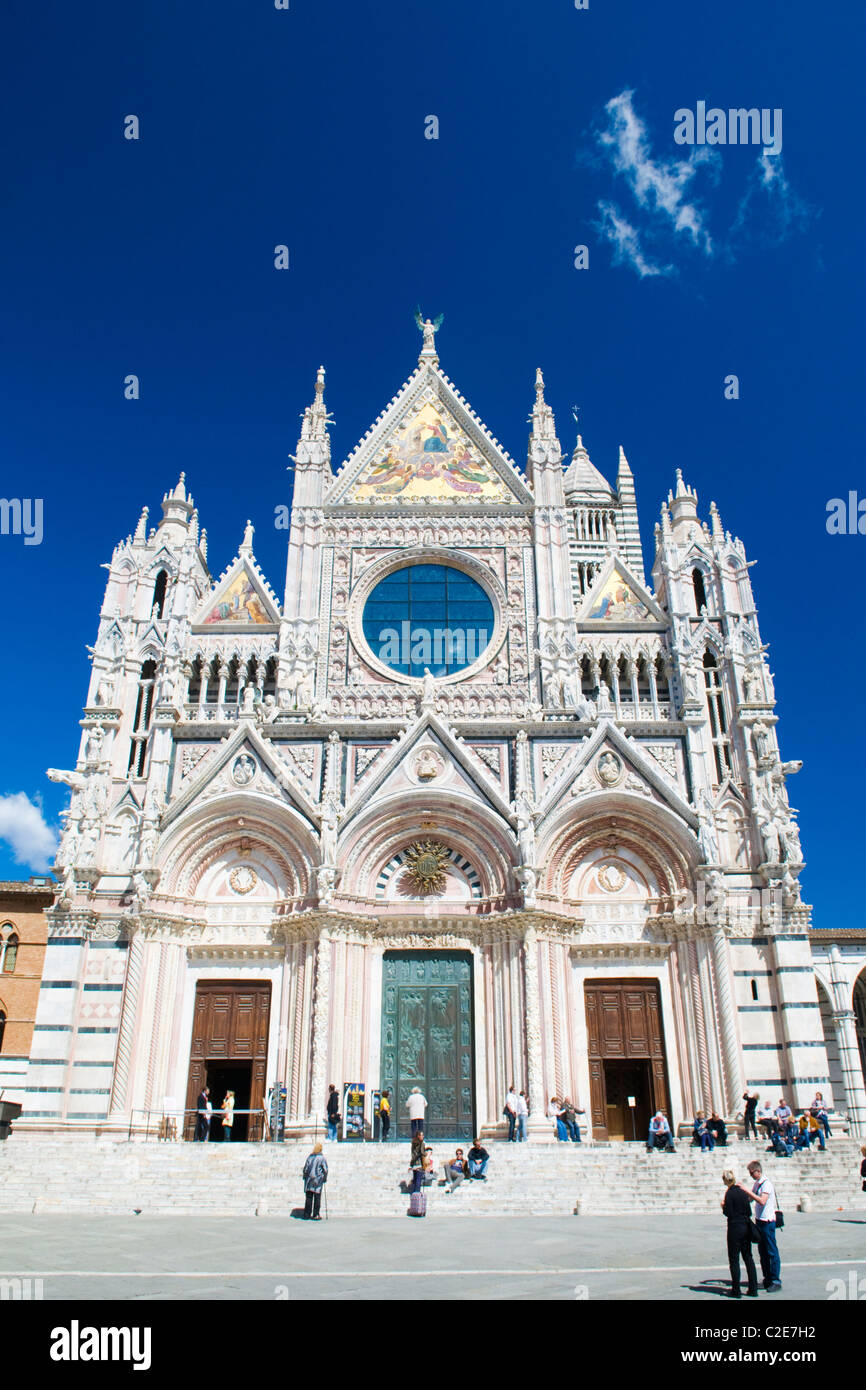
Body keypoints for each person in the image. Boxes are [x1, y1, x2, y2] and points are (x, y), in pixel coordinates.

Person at [740, 1161, 781, 1291]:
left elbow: (762, 1201)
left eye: (752, 1173)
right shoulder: (757, 1184)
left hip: (768, 1222)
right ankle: (767, 1278)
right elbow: (750, 1199)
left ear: (758, 1171)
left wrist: (746, 1190)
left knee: (771, 1251)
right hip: (759, 1221)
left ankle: (776, 1280)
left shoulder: (767, 1184)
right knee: (762, 1252)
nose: (751, 1175)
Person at [721, 1169, 758, 1299]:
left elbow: (728, 1213)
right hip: (745, 1226)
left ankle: (736, 1290)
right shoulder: (742, 1192)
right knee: (748, 1257)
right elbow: (749, 1212)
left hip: (734, 1228)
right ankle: (753, 1288)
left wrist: (723, 1207)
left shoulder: (729, 1193)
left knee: (734, 1259)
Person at [302, 1142, 328, 1219]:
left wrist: (305, 1176)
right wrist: (324, 1178)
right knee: (317, 1197)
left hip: (309, 1179)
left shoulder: (310, 1157)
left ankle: (307, 1214)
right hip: (318, 1180)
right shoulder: (322, 1158)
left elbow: (305, 1168)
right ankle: (316, 1214)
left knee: (309, 1197)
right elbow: (325, 1169)